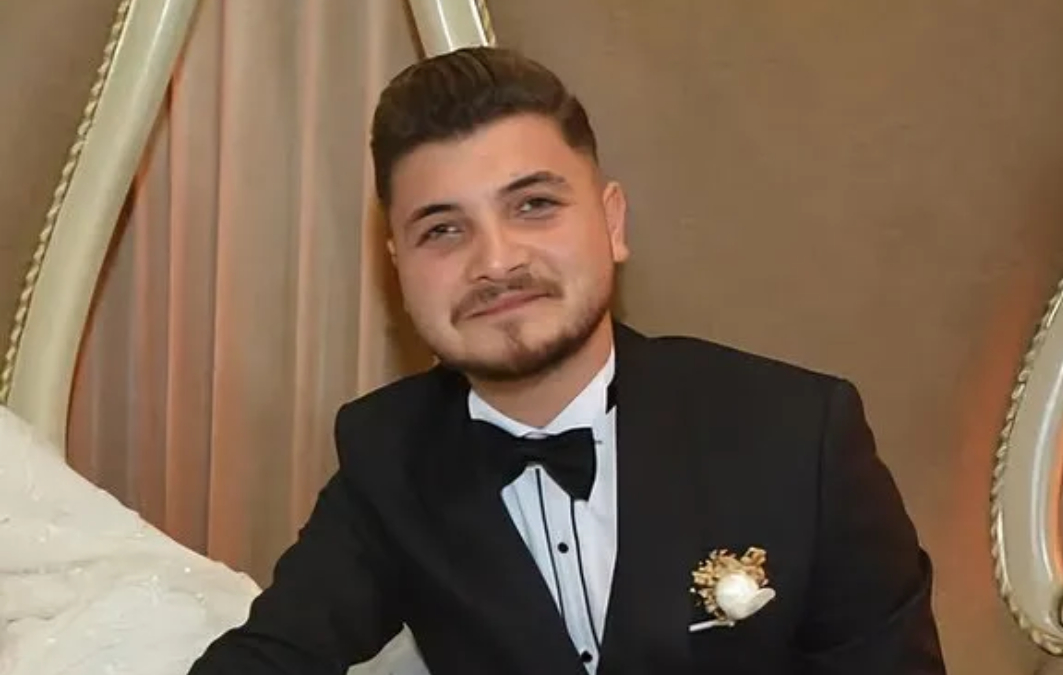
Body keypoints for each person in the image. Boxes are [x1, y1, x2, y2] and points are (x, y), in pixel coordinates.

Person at [187, 46, 945, 675]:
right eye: (443, 230)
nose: (495, 261)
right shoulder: (388, 455)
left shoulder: (799, 435)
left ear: (612, 223)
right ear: (399, 267)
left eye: (534, 206)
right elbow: (272, 655)